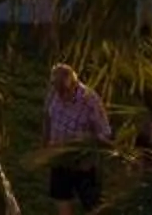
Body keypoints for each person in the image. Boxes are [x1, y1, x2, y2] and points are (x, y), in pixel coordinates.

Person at [43, 63, 111, 213]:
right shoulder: (53, 92)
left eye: (64, 91)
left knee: (92, 205)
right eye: (57, 90)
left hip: (83, 163)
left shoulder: (90, 100)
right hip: (60, 158)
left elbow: (104, 133)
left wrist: (88, 148)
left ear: (74, 84)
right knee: (61, 198)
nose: (60, 95)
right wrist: (46, 143)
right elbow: (48, 116)